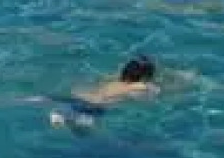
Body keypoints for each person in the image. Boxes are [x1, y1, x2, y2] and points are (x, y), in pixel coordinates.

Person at [20, 56, 163, 133]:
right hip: (95, 107)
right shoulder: (140, 86)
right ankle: (64, 119)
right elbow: (149, 94)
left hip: (81, 97)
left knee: (54, 101)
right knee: (84, 131)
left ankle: (51, 108)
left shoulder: (115, 80)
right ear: (145, 77)